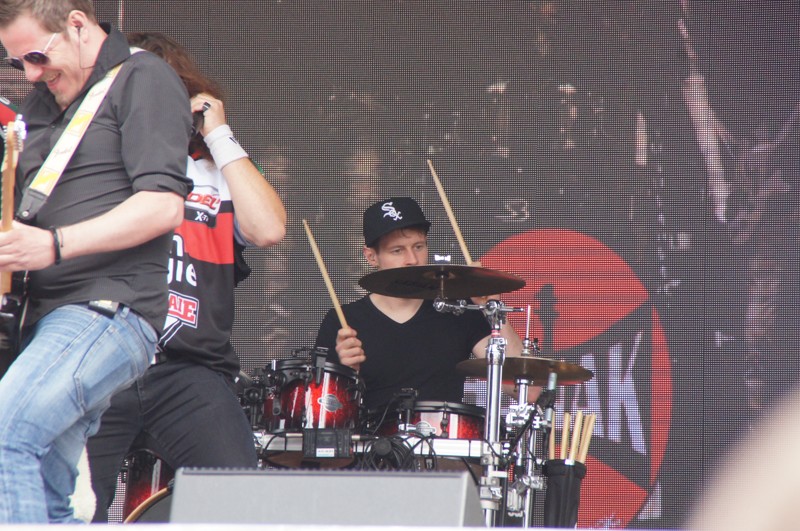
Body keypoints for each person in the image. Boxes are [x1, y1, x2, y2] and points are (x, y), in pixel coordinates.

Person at [0, 0, 193, 523]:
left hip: (106, 308)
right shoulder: (43, 103)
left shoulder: (142, 77)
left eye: (37, 56)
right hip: (42, 318)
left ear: (78, 24)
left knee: (5, 435)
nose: (31, 74)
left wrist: (54, 245)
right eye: (18, 63)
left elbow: (163, 206)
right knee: (45, 497)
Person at [86, 31, 287, 522]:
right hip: (99, 361)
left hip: (189, 369)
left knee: (238, 503)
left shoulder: (216, 169)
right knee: (68, 504)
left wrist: (218, 134)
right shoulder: (92, 159)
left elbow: (268, 228)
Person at [315, 197, 534, 418]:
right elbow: (321, 412)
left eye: (418, 247)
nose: (412, 259)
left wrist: (493, 310)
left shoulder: (457, 308)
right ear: (371, 257)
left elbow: (528, 391)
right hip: (369, 439)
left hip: (444, 439)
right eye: (397, 250)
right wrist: (345, 373)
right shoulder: (343, 321)